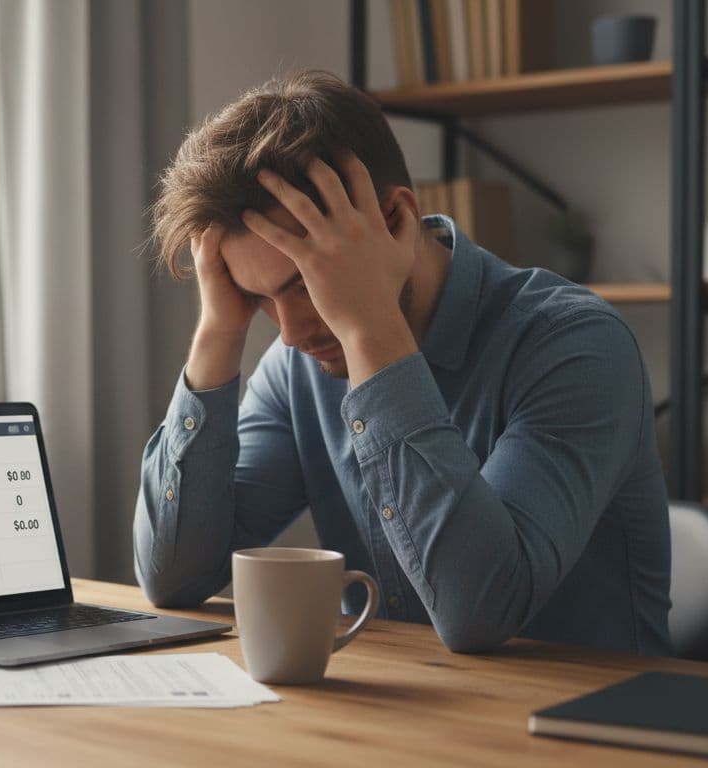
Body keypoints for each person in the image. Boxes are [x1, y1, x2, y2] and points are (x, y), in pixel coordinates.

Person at [134, 70, 671, 655]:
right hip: (402, 718)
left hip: (588, 731)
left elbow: (481, 611)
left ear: (394, 221)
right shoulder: (301, 369)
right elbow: (174, 578)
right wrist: (218, 330)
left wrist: (370, 331)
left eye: (305, 282)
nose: (288, 333)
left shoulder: (577, 346)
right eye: (258, 297)